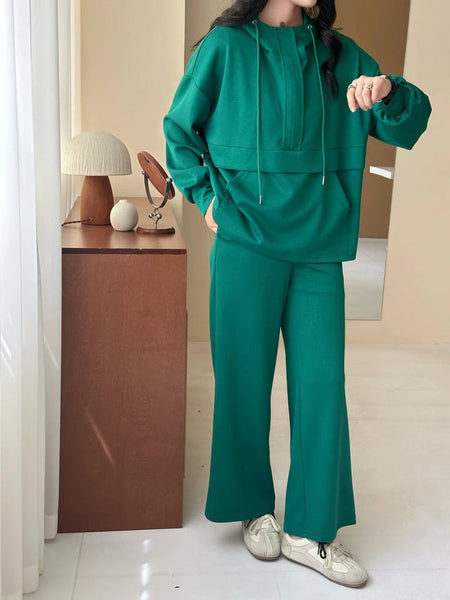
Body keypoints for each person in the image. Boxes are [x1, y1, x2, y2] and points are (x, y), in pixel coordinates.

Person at [162, 0, 431, 588]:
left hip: (317, 246)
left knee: (322, 386)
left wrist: (387, 89)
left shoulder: (338, 53)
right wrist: (207, 199)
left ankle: (312, 532)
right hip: (245, 242)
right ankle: (252, 507)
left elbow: (408, 124)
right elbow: (179, 131)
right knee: (242, 379)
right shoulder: (226, 47)